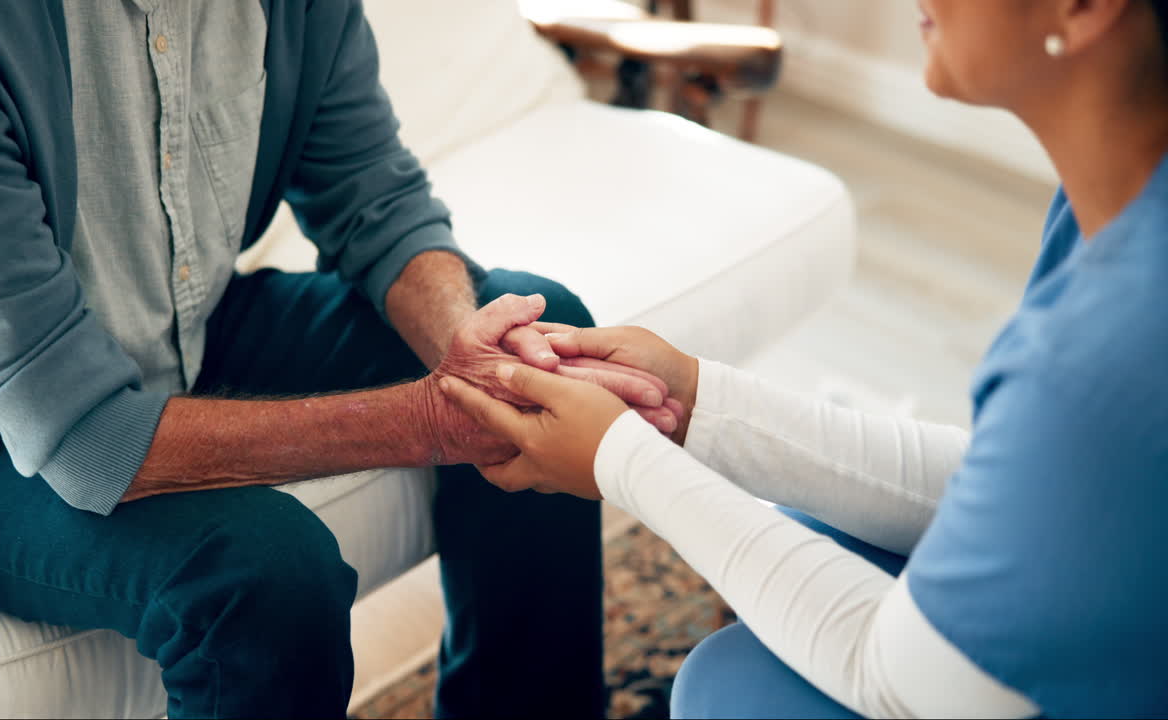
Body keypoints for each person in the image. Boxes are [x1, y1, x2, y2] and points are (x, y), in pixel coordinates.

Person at [0, 1, 684, 717]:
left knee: (543, 350)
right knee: (263, 573)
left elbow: (372, 197)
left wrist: (479, 361)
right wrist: (434, 422)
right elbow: (76, 427)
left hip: (184, 325)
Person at [439, 0, 1168, 716]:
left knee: (732, 690)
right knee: (819, 535)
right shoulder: (1109, 213)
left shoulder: (1106, 349)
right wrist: (696, 401)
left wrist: (619, 461)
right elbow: (1019, 484)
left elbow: (897, 684)